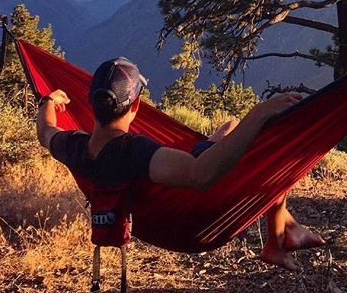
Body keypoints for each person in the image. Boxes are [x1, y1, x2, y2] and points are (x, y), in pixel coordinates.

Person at [37, 56, 324, 271]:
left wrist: (48, 100)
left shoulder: (74, 146)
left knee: (229, 131)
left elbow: (46, 132)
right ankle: (279, 236)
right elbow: (202, 175)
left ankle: (286, 228)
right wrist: (259, 114)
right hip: (189, 218)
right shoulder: (136, 152)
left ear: (90, 103)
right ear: (136, 105)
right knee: (262, 150)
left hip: (163, 202)